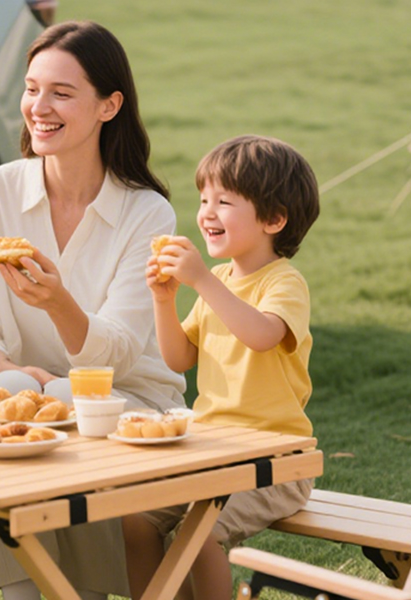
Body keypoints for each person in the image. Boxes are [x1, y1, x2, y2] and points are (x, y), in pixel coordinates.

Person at [0, 20, 187, 600]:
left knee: (65, 400)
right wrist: (8, 370)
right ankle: (24, 594)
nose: (39, 107)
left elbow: (118, 355)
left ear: (109, 106)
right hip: (20, 392)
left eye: (61, 93)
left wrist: (58, 304)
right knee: (7, 398)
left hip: (129, 401)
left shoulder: (146, 213)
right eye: (32, 89)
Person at [126, 134, 321, 600]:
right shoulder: (219, 280)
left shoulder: (284, 282)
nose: (207, 213)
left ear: (274, 219)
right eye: (204, 200)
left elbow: (262, 335)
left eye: (224, 202)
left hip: (277, 461)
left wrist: (199, 281)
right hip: (213, 452)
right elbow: (179, 358)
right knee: (135, 520)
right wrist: (164, 300)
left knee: (199, 537)